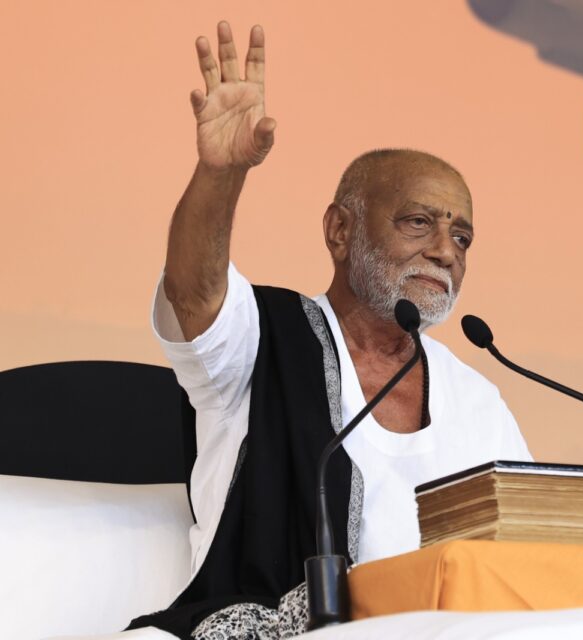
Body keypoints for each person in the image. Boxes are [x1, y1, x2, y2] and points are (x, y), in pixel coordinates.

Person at [127, 20, 532, 640]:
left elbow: (526, 563)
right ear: (340, 230)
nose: (446, 251)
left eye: (462, 237)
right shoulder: (263, 341)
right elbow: (193, 291)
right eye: (418, 222)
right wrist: (221, 174)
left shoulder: (480, 403)